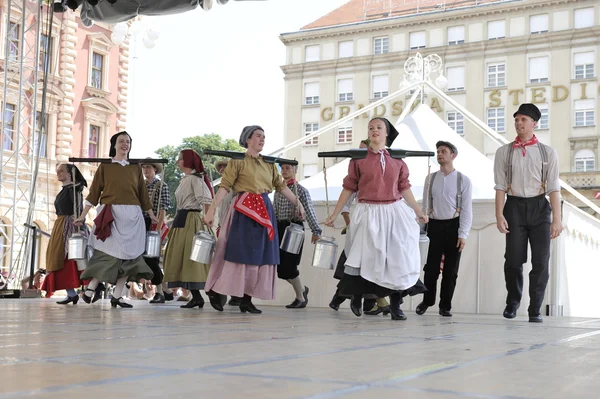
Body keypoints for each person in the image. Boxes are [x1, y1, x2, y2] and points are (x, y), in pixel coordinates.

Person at [325, 117, 428, 321]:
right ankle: (356, 296)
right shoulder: (359, 159)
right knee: (363, 257)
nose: (374, 131)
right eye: (371, 128)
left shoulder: (397, 160)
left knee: (399, 256)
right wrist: (335, 214)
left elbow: (404, 187)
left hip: (394, 211)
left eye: (379, 128)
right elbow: (349, 187)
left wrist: (418, 211)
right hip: (368, 211)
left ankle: (397, 306)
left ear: (387, 133)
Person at [204, 125, 304, 314]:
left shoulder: (269, 164)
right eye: (258, 136)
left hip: (264, 211)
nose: (262, 139)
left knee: (258, 256)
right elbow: (224, 187)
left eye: (264, 137)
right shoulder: (237, 162)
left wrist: (297, 203)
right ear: (247, 139)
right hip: (243, 209)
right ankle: (214, 289)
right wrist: (211, 210)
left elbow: (281, 186)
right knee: (235, 253)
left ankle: (247, 299)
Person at [494, 103, 562, 323]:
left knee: (541, 261)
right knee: (513, 260)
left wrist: (556, 220)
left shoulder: (548, 153)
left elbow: (553, 188)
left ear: (534, 123)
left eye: (523, 120)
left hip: (540, 208)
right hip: (513, 207)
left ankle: (535, 309)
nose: (519, 123)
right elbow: (500, 186)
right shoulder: (504, 152)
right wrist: (499, 215)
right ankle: (513, 302)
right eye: (516, 120)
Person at [75, 131, 158, 309]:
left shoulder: (135, 168)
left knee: (131, 259)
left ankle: (117, 296)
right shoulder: (105, 167)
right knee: (107, 255)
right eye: (121, 141)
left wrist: (151, 215)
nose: (125, 144)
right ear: (114, 144)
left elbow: (143, 195)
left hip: (133, 217)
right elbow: (94, 193)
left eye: (127, 141)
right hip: (111, 215)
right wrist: (83, 216)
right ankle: (90, 288)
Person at [416, 141, 473, 317]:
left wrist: (463, 234)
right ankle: (427, 300)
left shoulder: (463, 179)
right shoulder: (430, 178)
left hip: (454, 226)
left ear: (452, 155)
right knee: (430, 268)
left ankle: (445, 305)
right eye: (438, 151)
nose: (439, 154)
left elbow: (466, 209)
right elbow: (425, 205)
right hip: (434, 225)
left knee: (451, 270)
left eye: (443, 151)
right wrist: (421, 228)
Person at [162, 149, 215, 309]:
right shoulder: (185, 179)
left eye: (180, 159)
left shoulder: (195, 179)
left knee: (192, 258)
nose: (177, 162)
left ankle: (210, 291)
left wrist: (208, 219)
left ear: (188, 161)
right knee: (182, 258)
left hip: (192, 220)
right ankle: (197, 296)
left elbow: (206, 200)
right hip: (182, 219)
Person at [274, 163, 321, 308]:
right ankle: (302, 289)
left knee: (290, 265)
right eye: (283, 168)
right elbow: (274, 210)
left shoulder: (301, 190)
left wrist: (316, 231)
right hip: (280, 228)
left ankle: (300, 297)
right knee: (280, 269)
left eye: (289, 168)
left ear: (295, 171)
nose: (285, 170)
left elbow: (309, 210)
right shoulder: (278, 190)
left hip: (294, 228)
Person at [42, 164, 89, 304]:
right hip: (60, 224)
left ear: (70, 174)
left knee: (69, 258)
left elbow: (78, 209)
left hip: (69, 224)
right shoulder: (66, 190)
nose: (58, 173)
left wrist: (79, 224)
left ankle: (93, 287)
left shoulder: (74, 189)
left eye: (62, 171)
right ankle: (71, 293)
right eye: (58, 171)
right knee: (58, 258)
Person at [140, 159, 173, 304]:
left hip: (153, 225)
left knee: (151, 259)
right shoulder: (140, 185)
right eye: (144, 167)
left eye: (149, 167)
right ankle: (166, 290)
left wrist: (158, 229)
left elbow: (163, 208)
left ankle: (160, 292)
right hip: (140, 224)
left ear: (155, 169)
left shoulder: (161, 185)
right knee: (145, 259)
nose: (146, 170)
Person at [215, 159, 241, 307]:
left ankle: (235, 294)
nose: (222, 170)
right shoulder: (221, 189)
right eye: (221, 168)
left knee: (232, 263)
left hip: (232, 229)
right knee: (223, 262)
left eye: (225, 167)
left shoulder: (236, 188)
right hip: (222, 228)